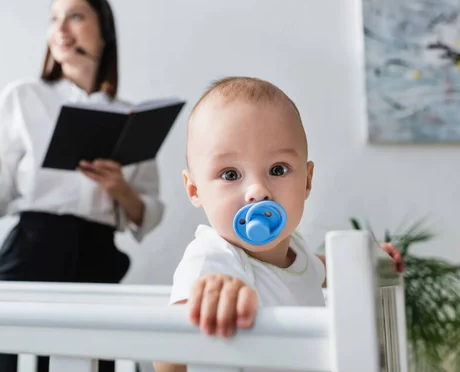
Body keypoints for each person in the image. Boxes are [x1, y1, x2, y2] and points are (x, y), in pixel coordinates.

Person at [0, 0, 164, 372]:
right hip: (30, 257)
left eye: (75, 16)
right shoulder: (25, 97)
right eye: (54, 18)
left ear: (104, 32)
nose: (61, 27)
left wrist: (119, 188)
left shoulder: (130, 115)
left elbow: (148, 213)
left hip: (98, 263)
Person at [154, 77, 404, 372]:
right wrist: (208, 298)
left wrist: (367, 262)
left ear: (307, 181)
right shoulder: (213, 260)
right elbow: (165, 358)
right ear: (195, 190)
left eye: (277, 169)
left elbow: (319, 270)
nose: (258, 191)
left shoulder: (296, 250)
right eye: (231, 174)